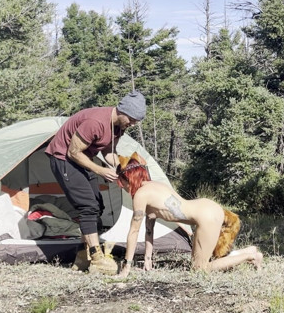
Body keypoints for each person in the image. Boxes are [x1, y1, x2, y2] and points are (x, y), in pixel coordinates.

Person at [45, 91, 146, 275]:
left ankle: (83, 256)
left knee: (97, 206)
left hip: (82, 158)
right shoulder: (96, 122)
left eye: (136, 121)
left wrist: (123, 168)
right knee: (88, 206)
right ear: (122, 111)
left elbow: (107, 150)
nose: (132, 124)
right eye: (131, 120)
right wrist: (100, 170)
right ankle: (97, 258)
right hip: (63, 158)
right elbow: (73, 152)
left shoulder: (118, 126)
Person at [115, 153, 263, 277]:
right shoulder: (155, 186)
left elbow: (134, 231)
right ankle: (249, 251)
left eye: (121, 183)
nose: (123, 187)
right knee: (202, 261)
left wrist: (126, 267)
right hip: (207, 207)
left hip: (206, 216)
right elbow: (149, 227)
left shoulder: (141, 195)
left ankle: (250, 257)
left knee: (200, 269)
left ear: (128, 179)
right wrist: (148, 259)